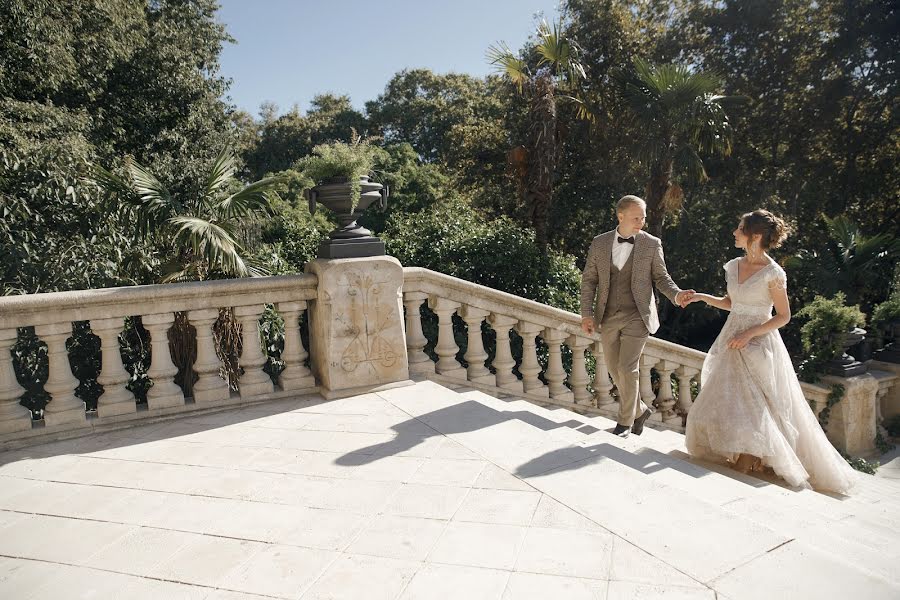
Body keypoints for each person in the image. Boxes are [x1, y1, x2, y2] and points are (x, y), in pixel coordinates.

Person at [683, 209, 855, 494]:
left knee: (757, 406)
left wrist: (749, 334)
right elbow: (732, 303)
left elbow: (783, 316)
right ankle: (741, 461)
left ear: (756, 236)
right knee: (727, 402)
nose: (735, 233)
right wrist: (702, 297)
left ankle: (749, 464)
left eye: (740, 228)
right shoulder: (734, 265)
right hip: (730, 341)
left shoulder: (774, 273)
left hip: (758, 343)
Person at [580, 195, 694, 437]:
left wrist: (677, 295)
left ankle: (624, 423)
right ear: (620, 216)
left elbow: (662, 279)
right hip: (608, 315)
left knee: (627, 367)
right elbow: (589, 281)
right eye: (636, 217)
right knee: (613, 368)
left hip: (638, 315)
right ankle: (640, 410)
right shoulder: (599, 243)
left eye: (643, 217)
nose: (641, 221)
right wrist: (587, 314)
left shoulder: (652, 244)